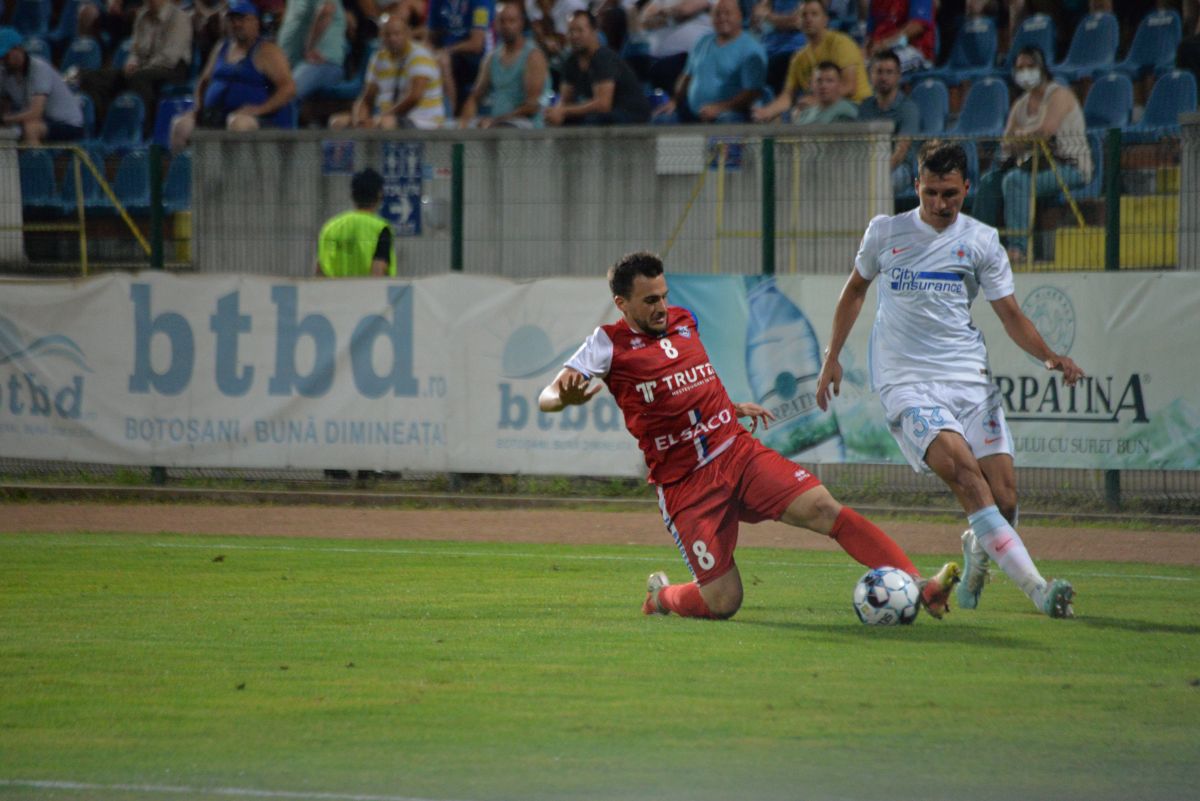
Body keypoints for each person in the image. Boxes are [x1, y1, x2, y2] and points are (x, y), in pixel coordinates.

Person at [538, 251, 961, 621]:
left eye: (664, 295)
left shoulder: (684, 322)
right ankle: (662, 596)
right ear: (621, 303)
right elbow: (547, 396)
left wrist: (727, 406)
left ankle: (920, 585)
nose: (663, 306)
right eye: (650, 300)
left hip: (735, 451)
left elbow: (691, 376)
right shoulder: (607, 343)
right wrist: (564, 398)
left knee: (822, 507)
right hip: (686, 483)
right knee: (723, 601)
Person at [815, 139, 1084, 619]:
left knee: (1003, 499)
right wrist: (832, 356)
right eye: (931, 193)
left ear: (967, 188)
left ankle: (976, 557)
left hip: (968, 378)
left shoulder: (981, 240)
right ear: (916, 186)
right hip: (907, 383)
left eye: (951, 195)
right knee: (965, 475)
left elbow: (1011, 314)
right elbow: (854, 291)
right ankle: (1041, 592)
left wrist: (1049, 356)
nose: (940, 205)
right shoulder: (885, 232)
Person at [971, 45, 1092, 265]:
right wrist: (1023, 138)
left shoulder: (1060, 95)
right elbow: (1007, 144)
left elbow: (1045, 132)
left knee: (1015, 181)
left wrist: (1020, 136)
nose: (1025, 71)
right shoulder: (1021, 105)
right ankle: (978, 249)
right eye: (1020, 67)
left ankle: (1018, 250)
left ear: (1042, 67)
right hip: (1033, 166)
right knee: (989, 182)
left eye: (1030, 66)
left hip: (1070, 166)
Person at [168, 1, 297, 154]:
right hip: (217, 116)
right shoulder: (221, 47)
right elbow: (203, 82)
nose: (236, 24)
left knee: (238, 123)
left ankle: (239, 177)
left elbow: (288, 88)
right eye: (232, 19)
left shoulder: (268, 51)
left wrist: (259, 110)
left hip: (258, 120)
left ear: (255, 22)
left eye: (242, 19)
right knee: (181, 125)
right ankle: (184, 175)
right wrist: (197, 108)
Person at [78, 0, 192, 131]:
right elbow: (136, 50)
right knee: (93, 78)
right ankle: (104, 127)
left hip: (172, 69)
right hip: (144, 67)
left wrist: (141, 67)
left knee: (139, 77)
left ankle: (144, 129)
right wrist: (132, 62)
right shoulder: (142, 16)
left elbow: (169, 57)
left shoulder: (179, 18)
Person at [752, 0, 868, 122]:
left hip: (857, 107)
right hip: (824, 108)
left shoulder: (841, 43)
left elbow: (849, 87)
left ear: (825, 20)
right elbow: (788, 97)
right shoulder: (799, 58)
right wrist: (766, 112)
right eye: (804, 15)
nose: (809, 19)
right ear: (799, 21)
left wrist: (816, 100)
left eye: (814, 14)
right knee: (797, 116)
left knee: (811, 117)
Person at [653, 0, 766, 124]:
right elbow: (686, 76)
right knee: (662, 119)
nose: (722, 17)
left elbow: (752, 93)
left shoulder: (751, 48)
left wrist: (719, 108)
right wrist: (674, 101)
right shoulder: (702, 42)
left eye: (728, 13)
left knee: (727, 121)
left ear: (740, 15)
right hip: (693, 112)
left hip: (731, 113)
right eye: (717, 13)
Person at [329, 12, 445, 129]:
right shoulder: (378, 58)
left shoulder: (420, 55)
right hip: (387, 119)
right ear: (380, 36)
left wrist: (382, 117)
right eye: (387, 34)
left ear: (407, 34)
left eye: (397, 34)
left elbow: (414, 97)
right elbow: (367, 96)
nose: (392, 38)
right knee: (337, 122)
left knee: (386, 123)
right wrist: (360, 120)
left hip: (422, 122)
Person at [545, 10, 651, 126]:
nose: (574, 36)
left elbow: (603, 105)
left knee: (595, 120)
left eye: (580, 30)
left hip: (630, 117)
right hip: (606, 116)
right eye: (571, 31)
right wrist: (556, 113)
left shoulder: (603, 57)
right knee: (563, 120)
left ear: (594, 31)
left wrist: (564, 111)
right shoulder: (571, 62)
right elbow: (565, 101)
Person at [457, 0, 549, 128]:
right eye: (502, 21)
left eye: (511, 21)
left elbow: (531, 106)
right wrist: (464, 123)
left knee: (499, 126)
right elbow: (475, 96)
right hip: (498, 125)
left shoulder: (533, 56)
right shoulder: (491, 58)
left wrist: (496, 121)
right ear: (496, 25)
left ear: (521, 23)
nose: (506, 26)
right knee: (453, 125)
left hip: (526, 126)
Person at [0, 27, 86, 145]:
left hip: (67, 124)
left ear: (18, 49)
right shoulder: (4, 73)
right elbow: (5, 109)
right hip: (42, 122)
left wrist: (5, 119)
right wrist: (5, 120)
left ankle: (37, 162)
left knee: (31, 128)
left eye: (6, 56)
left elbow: (36, 112)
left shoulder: (39, 68)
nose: (3, 61)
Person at [856, 49, 919, 195]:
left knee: (880, 184)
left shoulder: (908, 108)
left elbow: (901, 150)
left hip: (898, 169)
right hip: (867, 166)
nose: (883, 77)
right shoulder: (865, 107)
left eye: (889, 72)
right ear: (870, 75)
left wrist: (878, 172)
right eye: (879, 72)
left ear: (898, 76)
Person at [317, 168, 396, 279]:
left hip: (333, 293)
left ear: (352, 195)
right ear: (379, 195)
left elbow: (320, 270)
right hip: (366, 294)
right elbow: (378, 272)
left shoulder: (331, 227)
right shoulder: (380, 228)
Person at [426, 0, 495, 116]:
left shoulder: (481, 2)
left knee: (443, 61)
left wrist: (446, 51)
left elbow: (476, 44)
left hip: (476, 58)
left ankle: (450, 117)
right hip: (448, 54)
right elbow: (431, 37)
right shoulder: (437, 2)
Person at [631, 0, 713, 93]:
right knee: (628, 65)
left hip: (688, 59)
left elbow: (685, 11)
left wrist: (661, 13)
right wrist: (670, 15)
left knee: (660, 70)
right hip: (655, 59)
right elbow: (645, 21)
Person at [276, 0, 348, 103]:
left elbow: (326, 11)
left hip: (320, 62)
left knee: (285, 95)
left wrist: (310, 47)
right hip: (293, 62)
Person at [749, 0, 806, 96]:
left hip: (794, 48)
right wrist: (761, 17)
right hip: (770, 46)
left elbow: (797, 21)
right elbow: (756, 18)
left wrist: (768, 16)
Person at [865, 0, 934, 74]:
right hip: (881, 50)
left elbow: (917, 26)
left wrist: (885, 45)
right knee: (857, 65)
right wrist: (865, 51)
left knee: (876, 68)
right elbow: (870, 33)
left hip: (912, 47)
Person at [790, 60, 857, 124]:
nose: (823, 86)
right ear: (811, 85)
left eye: (829, 81)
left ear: (839, 84)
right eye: (819, 81)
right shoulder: (805, 114)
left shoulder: (845, 112)